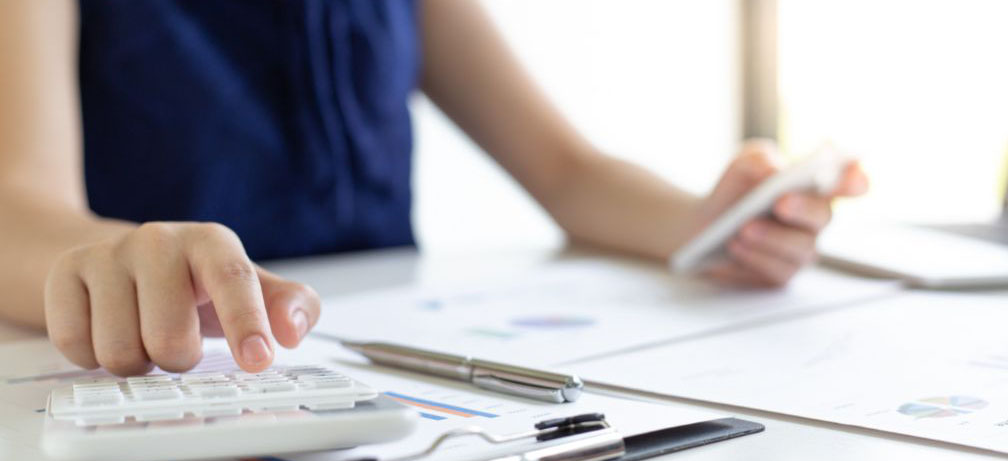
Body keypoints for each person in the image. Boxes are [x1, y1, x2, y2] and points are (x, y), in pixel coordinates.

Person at [0, 0, 867, 376]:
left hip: (372, 371)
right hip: (184, 371)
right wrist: (111, 264)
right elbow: (17, 205)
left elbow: (569, 172)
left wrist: (713, 221)